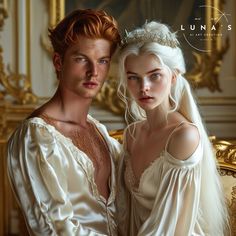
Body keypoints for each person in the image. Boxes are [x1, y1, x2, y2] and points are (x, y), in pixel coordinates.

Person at [7, 9, 121, 235]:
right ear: (58, 62)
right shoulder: (36, 137)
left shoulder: (98, 130)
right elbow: (55, 230)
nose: (94, 72)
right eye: (81, 59)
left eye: (102, 61)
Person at [117, 21, 229, 236]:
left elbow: (171, 225)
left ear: (174, 76)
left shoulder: (183, 136)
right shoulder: (132, 134)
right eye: (133, 78)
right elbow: (127, 212)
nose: (144, 87)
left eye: (155, 75)